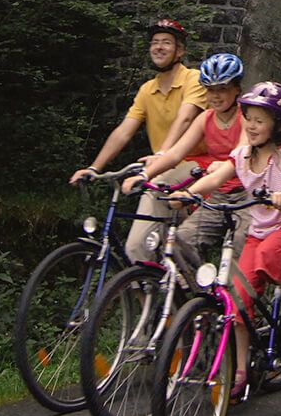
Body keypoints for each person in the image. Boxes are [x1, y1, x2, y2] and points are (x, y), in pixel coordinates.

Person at [172, 80, 281, 398]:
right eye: (248, 119)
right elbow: (215, 176)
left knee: (269, 255)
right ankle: (240, 372)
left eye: (259, 120)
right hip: (259, 232)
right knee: (236, 302)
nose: (251, 126)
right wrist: (185, 193)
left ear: (278, 124)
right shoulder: (241, 155)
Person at [69, 18, 207, 262]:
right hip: (160, 168)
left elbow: (185, 119)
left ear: (180, 51)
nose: (159, 47)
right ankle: (155, 293)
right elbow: (124, 131)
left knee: (136, 248)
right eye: (154, 42)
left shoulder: (192, 79)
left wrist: (161, 155)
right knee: (169, 250)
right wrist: (94, 167)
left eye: (166, 42)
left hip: (193, 165)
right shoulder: (147, 90)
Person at [131, 52, 251, 258]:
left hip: (247, 194)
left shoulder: (247, 118)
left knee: (242, 248)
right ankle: (196, 288)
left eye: (222, 89)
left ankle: (238, 289)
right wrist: (145, 175)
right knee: (181, 242)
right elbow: (176, 153)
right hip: (218, 194)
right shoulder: (205, 118)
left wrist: (221, 168)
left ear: (237, 89)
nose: (215, 96)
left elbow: (240, 156)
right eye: (210, 90)